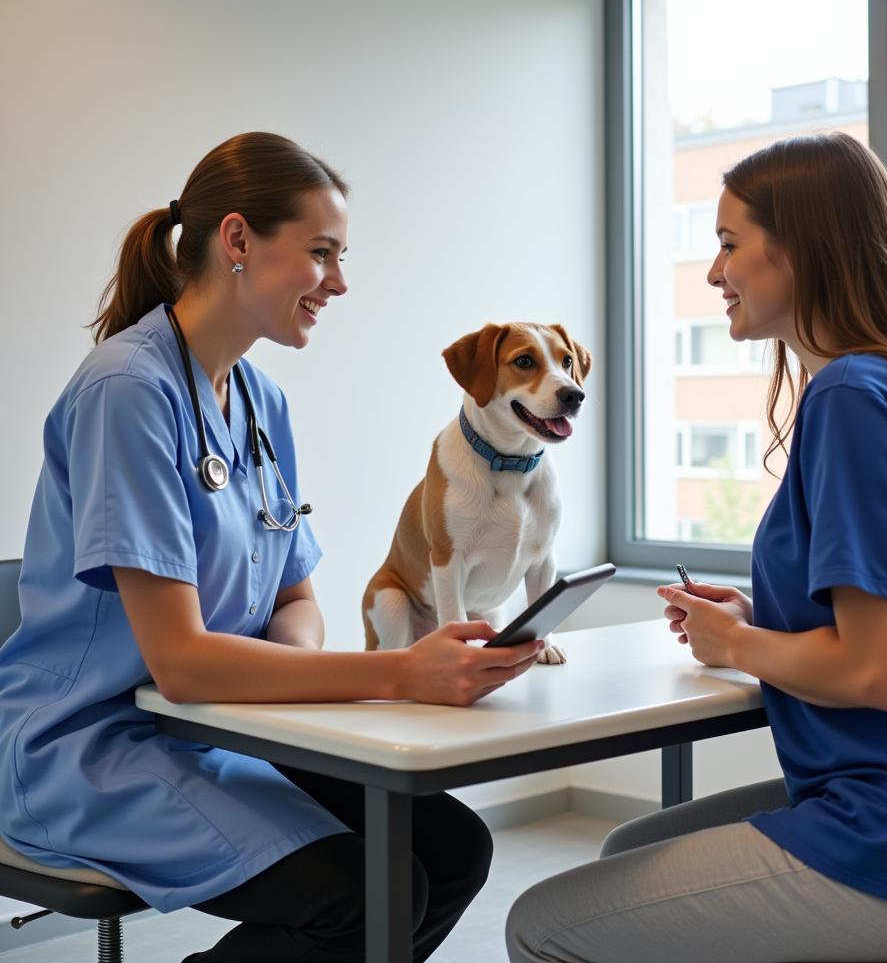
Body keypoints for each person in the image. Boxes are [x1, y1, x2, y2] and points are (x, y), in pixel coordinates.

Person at [0, 131, 543, 963]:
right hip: (89, 746)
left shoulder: (261, 402)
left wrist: (282, 687)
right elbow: (181, 663)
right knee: (369, 898)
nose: (340, 281)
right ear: (240, 241)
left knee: (452, 850)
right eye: (322, 253)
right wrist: (401, 671)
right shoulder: (126, 393)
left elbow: (295, 598)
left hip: (221, 724)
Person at [506, 131, 887, 962]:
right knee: (623, 855)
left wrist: (739, 644)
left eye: (727, 245)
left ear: (801, 251)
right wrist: (758, 616)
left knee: (540, 923)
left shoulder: (854, 399)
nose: (714, 274)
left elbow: (877, 672)